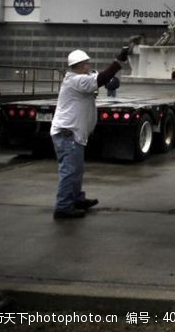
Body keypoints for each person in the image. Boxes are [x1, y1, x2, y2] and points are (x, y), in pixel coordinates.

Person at [50, 46, 130, 219]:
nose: (88, 67)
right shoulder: (76, 80)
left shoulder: (78, 78)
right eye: (86, 64)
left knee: (76, 170)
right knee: (70, 171)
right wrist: (118, 61)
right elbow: (102, 78)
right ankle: (63, 206)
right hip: (67, 134)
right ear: (78, 66)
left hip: (72, 134)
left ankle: (76, 199)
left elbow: (97, 79)